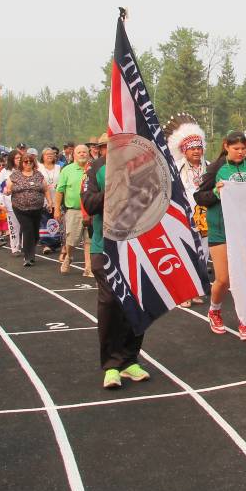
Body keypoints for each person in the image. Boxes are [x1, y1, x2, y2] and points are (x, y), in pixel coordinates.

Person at [81, 144, 151, 389]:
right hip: (105, 246)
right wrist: (114, 191)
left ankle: (130, 358)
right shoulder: (97, 168)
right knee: (110, 301)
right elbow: (89, 204)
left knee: (136, 301)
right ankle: (111, 365)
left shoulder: (142, 163)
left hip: (137, 245)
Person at [194, 131, 246, 336]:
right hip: (221, 231)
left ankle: (244, 319)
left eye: (243, 149)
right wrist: (215, 193)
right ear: (226, 146)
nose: (240, 152)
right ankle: (214, 310)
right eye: (236, 149)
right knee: (224, 278)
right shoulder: (216, 168)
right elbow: (199, 197)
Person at [165, 114, 208, 307]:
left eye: (199, 148)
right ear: (184, 150)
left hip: (205, 218)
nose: (197, 151)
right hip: (183, 217)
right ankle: (184, 293)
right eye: (192, 148)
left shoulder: (208, 167)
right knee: (185, 254)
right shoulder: (177, 168)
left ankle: (196, 289)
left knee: (203, 255)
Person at [5, 150, 52, 267]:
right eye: (25, 162)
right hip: (20, 208)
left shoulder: (38, 175)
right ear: (22, 163)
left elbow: (45, 189)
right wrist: (7, 191)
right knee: (28, 230)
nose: (28, 164)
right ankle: (28, 257)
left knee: (35, 232)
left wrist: (50, 202)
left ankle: (31, 249)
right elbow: (8, 188)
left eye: (30, 161)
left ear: (33, 163)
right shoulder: (15, 175)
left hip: (37, 208)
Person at [55, 144, 92, 277]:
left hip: (91, 211)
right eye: (79, 152)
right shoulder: (67, 170)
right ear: (74, 155)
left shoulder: (92, 168)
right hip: (73, 210)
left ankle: (88, 268)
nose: (82, 154)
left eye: (84, 152)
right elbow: (60, 191)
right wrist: (57, 209)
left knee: (89, 240)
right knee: (72, 240)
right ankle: (68, 256)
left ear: (89, 154)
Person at [0, 150, 23, 256]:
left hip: (25, 204)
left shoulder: (25, 170)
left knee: (26, 227)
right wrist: (2, 204)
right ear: (12, 159)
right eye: (17, 158)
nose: (19, 160)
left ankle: (25, 246)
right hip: (10, 205)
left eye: (20, 158)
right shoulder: (5, 172)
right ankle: (15, 248)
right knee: (14, 227)